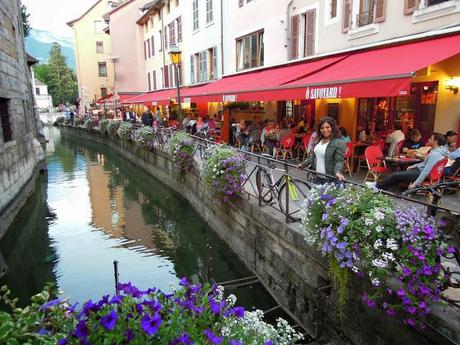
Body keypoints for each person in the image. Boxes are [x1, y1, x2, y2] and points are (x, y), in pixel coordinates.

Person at [367, 133, 449, 191]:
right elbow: (425, 164)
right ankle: (381, 187)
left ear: (435, 141)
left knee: (396, 175)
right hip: (421, 171)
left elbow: (426, 171)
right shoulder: (439, 151)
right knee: (399, 176)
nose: (428, 139)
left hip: (421, 173)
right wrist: (414, 166)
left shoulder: (435, 154)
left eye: (431, 138)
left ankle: (377, 186)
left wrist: (415, 184)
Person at [298, 117, 346, 182]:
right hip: (317, 177)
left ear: (332, 128)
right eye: (322, 128)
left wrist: (337, 172)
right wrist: (303, 164)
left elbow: (339, 161)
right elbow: (312, 157)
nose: (325, 130)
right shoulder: (319, 140)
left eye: (327, 127)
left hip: (330, 179)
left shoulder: (339, 142)